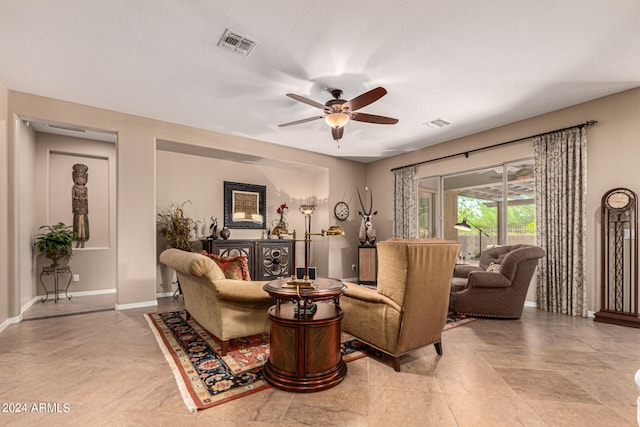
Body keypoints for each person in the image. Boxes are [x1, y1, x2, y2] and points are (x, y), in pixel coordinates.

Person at [72, 164, 89, 248]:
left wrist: (83, 198)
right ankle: (78, 238)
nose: (80, 181)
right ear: (75, 178)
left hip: (83, 206)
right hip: (77, 205)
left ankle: (83, 237)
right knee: (78, 222)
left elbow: (86, 197)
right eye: (78, 179)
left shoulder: (85, 188)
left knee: (83, 222)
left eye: (82, 179)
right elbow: (73, 196)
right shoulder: (74, 187)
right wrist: (78, 198)